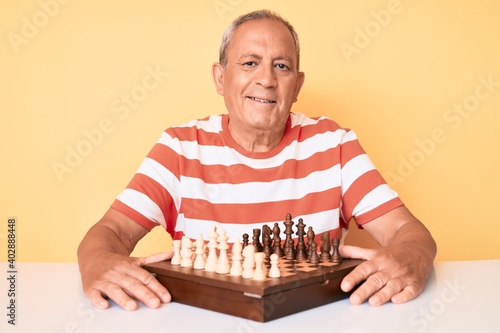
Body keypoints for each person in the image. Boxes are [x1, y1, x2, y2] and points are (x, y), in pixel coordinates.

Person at [78, 9, 436, 311]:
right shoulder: (180, 147)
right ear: (220, 78)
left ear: (297, 85)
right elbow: (109, 233)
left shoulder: (334, 144)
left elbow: (409, 234)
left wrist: (411, 258)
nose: (266, 80)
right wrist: (97, 262)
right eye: (250, 63)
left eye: (281, 66)